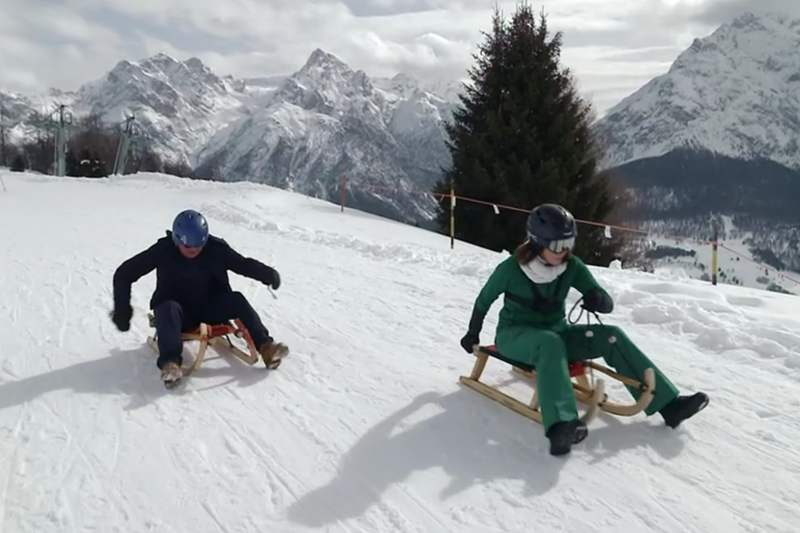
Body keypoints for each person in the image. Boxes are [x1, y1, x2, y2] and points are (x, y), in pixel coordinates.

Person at [459, 204, 708, 456]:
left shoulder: (571, 266)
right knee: (549, 342)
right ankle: (561, 425)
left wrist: (599, 300)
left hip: (557, 335)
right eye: (558, 245)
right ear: (537, 242)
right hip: (514, 337)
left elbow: (602, 297)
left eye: (569, 243)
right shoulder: (511, 269)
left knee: (611, 336)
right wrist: (472, 333)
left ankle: (669, 405)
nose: (564, 251)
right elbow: (484, 300)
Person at [111, 209, 287, 385]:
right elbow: (124, 274)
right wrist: (122, 310)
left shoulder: (216, 249)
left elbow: (243, 264)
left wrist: (267, 274)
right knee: (167, 308)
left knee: (237, 300)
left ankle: (266, 347)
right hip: (177, 315)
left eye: (199, 244)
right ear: (177, 239)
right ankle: (171, 363)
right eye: (188, 246)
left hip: (210, 309)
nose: (194, 249)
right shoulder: (163, 250)